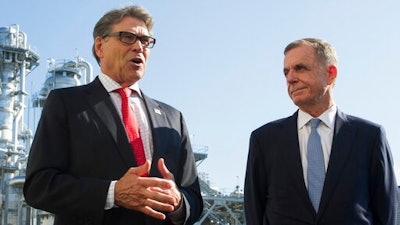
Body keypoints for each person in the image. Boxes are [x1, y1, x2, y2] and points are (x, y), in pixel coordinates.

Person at [23, 5, 203, 225]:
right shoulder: (66, 103)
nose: (139, 46)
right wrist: (113, 193)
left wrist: (178, 203)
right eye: (128, 37)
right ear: (100, 46)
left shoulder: (174, 118)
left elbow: (194, 199)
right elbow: (39, 186)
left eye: (146, 41)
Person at [244, 38, 398, 225]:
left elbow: (386, 213)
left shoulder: (370, 137)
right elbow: (254, 214)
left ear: (330, 73)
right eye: (286, 72)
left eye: (300, 68)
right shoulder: (264, 140)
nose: (290, 78)